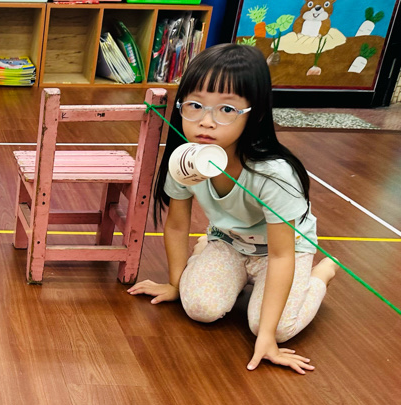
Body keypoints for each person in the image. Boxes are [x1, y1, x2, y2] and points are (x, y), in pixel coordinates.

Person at [128, 44, 337, 374]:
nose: (206, 122)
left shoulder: (274, 174)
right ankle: (214, 255)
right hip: (228, 243)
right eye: (195, 105)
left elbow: (281, 255)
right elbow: (177, 225)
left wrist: (266, 337)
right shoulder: (185, 161)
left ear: (255, 114)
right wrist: (176, 284)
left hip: (284, 252)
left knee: (276, 329)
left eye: (226, 109)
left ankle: (320, 274)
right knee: (198, 307)